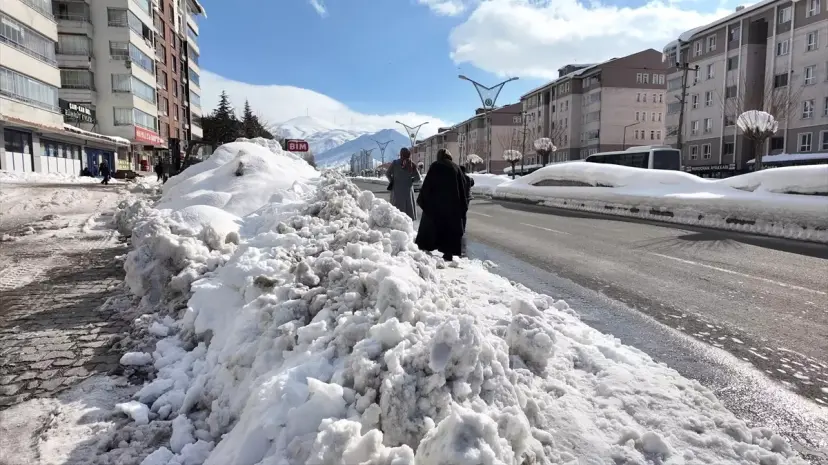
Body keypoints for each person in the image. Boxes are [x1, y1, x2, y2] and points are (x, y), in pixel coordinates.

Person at [415, 149, 467, 261]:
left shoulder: (435, 166)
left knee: (430, 227)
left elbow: (427, 185)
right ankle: (448, 253)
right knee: (449, 230)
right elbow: (463, 186)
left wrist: (423, 200)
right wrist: (462, 205)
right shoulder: (456, 167)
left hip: (435, 205)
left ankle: (424, 249)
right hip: (452, 206)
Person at [387, 147, 421, 220]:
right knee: (408, 212)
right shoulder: (412, 165)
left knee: (397, 212)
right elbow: (418, 178)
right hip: (408, 191)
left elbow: (387, 173)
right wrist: (410, 180)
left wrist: (392, 181)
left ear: (400, 154)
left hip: (396, 191)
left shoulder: (395, 163)